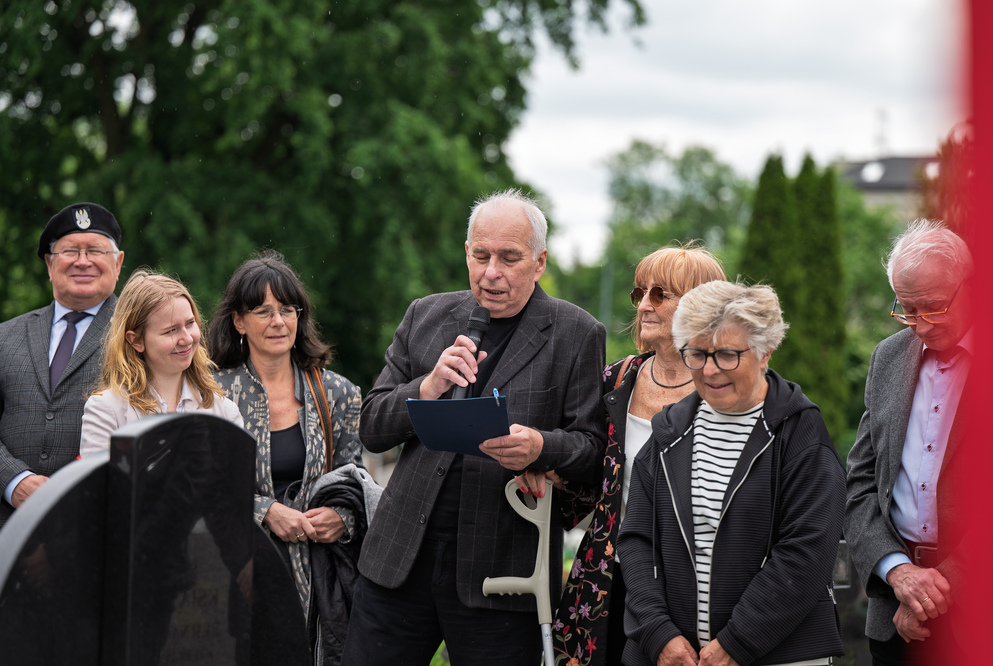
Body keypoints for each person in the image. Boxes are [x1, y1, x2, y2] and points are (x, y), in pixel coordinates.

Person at [341, 189, 607, 666]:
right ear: (467, 252)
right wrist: (426, 387)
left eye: (509, 258)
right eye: (481, 255)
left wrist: (540, 447)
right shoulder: (425, 315)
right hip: (399, 559)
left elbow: (592, 450)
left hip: (503, 571)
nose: (491, 272)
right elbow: (372, 427)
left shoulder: (577, 332)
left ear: (539, 261)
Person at [617, 280, 845, 666]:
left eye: (726, 354)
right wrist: (659, 634)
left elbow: (807, 554)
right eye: (697, 353)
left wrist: (738, 643)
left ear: (765, 352)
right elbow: (637, 541)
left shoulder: (800, 435)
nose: (709, 370)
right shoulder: (668, 432)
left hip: (777, 655)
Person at [521, 244, 726, 666]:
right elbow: (592, 467)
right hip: (608, 575)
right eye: (639, 294)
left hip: (695, 578)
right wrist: (548, 468)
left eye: (659, 294)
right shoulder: (618, 378)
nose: (644, 306)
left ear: (700, 306)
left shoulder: (726, 389)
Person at [209, 250, 375, 666]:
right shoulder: (210, 394)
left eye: (287, 309)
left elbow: (355, 481)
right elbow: (199, 486)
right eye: (262, 311)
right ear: (238, 321)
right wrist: (265, 511)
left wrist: (343, 518)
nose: (278, 321)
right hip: (235, 571)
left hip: (321, 580)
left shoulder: (338, 393)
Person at [843, 220, 971, 665]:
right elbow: (859, 484)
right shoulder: (888, 357)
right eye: (907, 309)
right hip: (892, 612)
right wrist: (897, 573)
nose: (918, 325)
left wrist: (939, 589)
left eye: (932, 308)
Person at [0, 202, 125, 529]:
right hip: (8, 527)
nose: (83, 261)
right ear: (49, 263)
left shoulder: (140, 336)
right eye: (70, 250)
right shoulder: (5, 336)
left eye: (95, 250)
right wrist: (14, 481)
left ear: (118, 262)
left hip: (101, 529)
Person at [79, 269, 243, 454]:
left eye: (190, 323)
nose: (187, 339)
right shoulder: (106, 409)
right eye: (171, 331)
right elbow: (100, 482)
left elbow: (235, 480)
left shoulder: (224, 410)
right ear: (136, 340)